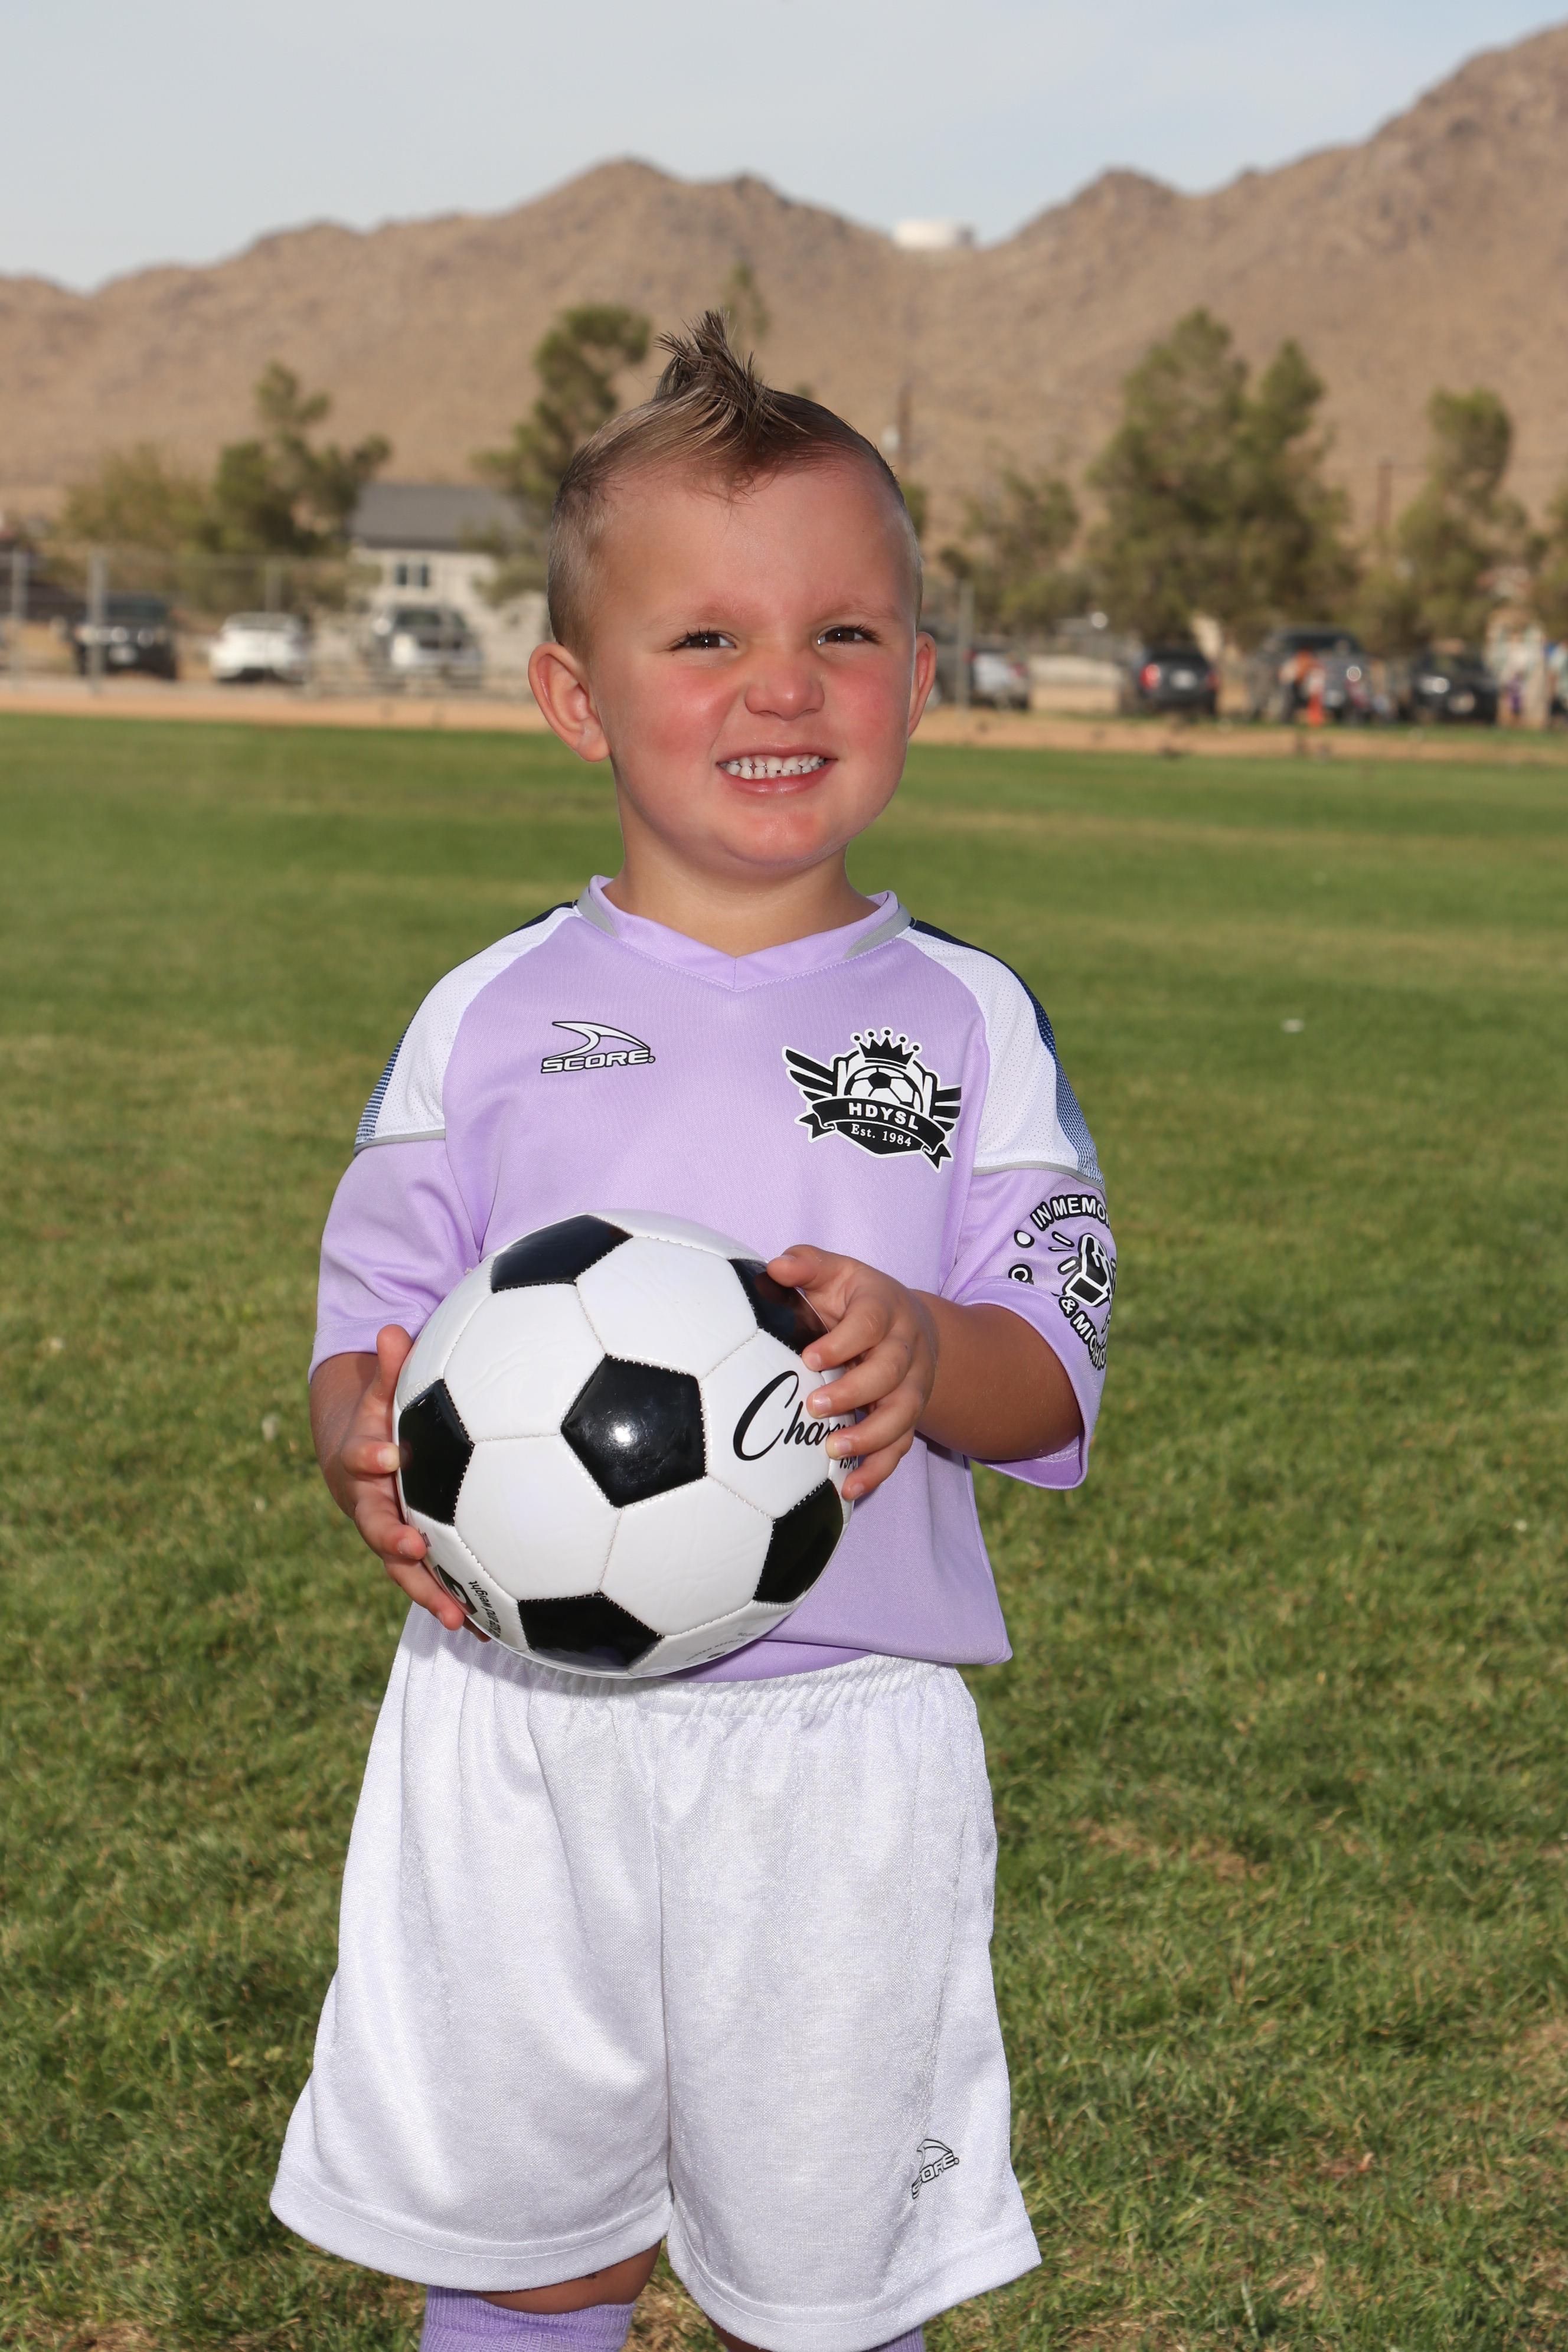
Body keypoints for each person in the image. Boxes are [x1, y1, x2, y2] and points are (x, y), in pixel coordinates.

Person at [271, 314, 1118, 2352]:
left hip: (840, 1756)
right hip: (515, 1735)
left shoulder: (970, 1024)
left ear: (923, 678)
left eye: (845, 634)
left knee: (823, 2285)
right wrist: (361, 1442)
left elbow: (1052, 1369)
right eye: (708, 637)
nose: (782, 684)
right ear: (576, 695)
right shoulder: (484, 1015)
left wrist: (931, 1351)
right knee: (525, 2247)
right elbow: (367, 1335)